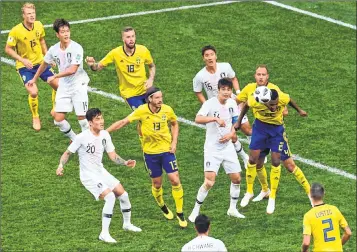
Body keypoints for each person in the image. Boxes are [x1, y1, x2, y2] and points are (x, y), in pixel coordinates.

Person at [56, 108, 141, 243]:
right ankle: (104, 233)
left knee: (123, 195)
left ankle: (127, 224)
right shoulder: (82, 137)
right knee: (110, 197)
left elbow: (112, 156)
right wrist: (61, 166)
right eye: (97, 119)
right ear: (90, 122)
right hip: (88, 175)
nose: (101, 121)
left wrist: (125, 162)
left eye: (101, 118)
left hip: (100, 171)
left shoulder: (105, 135)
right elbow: (68, 153)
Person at [106, 87, 187, 228]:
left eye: (161, 97)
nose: (160, 100)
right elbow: (123, 122)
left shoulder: (167, 110)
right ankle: (162, 205)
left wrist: (174, 142)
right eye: (157, 98)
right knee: (157, 184)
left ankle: (180, 212)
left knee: (175, 179)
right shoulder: (142, 111)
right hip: (150, 154)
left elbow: (174, 123)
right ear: (149, 99)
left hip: (167, 151)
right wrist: (105, 133)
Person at [237, 65, 311, 208]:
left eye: (263, 74)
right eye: (258, 74)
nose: (260, 77)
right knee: (256, 161)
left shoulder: (278, 93)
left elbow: (288, 99)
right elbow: (243, 103)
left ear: (268, 76)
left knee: (287, 164)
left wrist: (299, 110)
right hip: (260, 128)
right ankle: (261, 190)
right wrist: (237, 121)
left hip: (276, 131)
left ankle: (308, 193)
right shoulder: (253, 95)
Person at [188, 78, 245, 223]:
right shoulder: (210, 103)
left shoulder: (232, 103)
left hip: (227, 148)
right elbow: (197, 118)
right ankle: (195, 211)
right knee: (209, 182)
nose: (226, 92)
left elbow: (235, 123)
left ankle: (232, 209)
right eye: (223, 89)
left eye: (228, 90)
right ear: (218, 90)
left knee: (237, 178)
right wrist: (214, 119)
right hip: (212, 149)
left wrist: (231, 134)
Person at [85, 26, 156, 141]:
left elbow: (151, 66)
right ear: (123, 39)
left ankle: (144, 138)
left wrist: (151, 79)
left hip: (146, 90)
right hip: (130, 94)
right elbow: (97, 67)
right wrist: (92, 65)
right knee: (144, 116)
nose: (131, 39)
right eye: (128, 37)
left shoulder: (143, 50)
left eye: (133, 36)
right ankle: (143, 141)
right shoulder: (116, 53)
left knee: (151, 115)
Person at [28, 19, 90, 141]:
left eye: (67, 31)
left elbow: (73, 70)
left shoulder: (77, 48)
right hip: (65, 86)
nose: (66, 34)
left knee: (82, 119)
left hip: (79, 85)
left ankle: (89, 143)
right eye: (62, 32)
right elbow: (44, 63)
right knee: (58, 119)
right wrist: (34, 79)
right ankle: (76, 139)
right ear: (57, 34)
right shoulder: (53, 49)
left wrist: (55, 76)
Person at [193, 45, 249, 167]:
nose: (209, 58)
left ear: (216, 56)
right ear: (203, 58)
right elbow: (197, 91)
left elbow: (234, 78)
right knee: (230, 135)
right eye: (206, 55)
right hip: (216, 109)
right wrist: (206, 105)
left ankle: (251, 146)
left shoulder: (225, 67)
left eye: (211, 54)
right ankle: (245, 157)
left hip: (232, 103)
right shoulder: (200, 76)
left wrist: (238, 94)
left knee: (246, 129)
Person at [5, 2, 58, 131]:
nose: (32, 16)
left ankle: (55, 109)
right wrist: (22, 60)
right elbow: (8, 49)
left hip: (41, 62)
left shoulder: (39, 25)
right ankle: (35, 116)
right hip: (25, 67)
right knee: (33, 92)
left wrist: (48, 56)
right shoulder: (16, 31)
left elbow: (42, 41)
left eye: (33, 13)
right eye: (29, 13)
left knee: (58, 85)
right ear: (23, 15)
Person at [302, 183, 352, 252]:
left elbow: (306, 243)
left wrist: (304, 251)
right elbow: (348, 232)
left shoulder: (308, 216)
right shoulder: (334, 209)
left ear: (310, 195)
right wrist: (338, 245)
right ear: (324, 193)